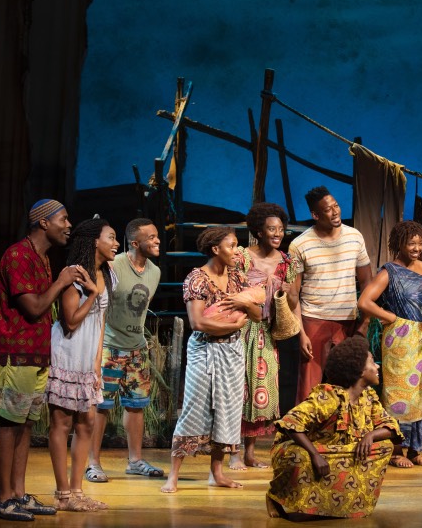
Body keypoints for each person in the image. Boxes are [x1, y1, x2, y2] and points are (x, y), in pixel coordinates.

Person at [0, 199, 84, 521]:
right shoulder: (18, 255)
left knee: (26, 424)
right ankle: (2, 498)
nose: (68, 225)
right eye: (63, 219)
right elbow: (33, 307)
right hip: (17, 354)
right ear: (44, 222)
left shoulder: (41, 258)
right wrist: (61, 281)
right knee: (10, 422)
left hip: (36, 355)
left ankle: (17, 493)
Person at [160, 226, 263, 493]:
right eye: (231, 245)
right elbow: (198, 323)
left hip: (232, 353)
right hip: (204, 351)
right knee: (194, 409)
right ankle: (173, 475)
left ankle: (216, 473)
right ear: (216, 249)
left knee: (228, 412)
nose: (236, 251)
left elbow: (258, 313)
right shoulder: (197, 278)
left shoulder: (237, 278)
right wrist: (235, 323)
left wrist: (243, 305)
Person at [358, 220, 422, 468]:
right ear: (399, 245)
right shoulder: (388, 272)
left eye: (419, 243)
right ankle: (396, 450)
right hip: (400, 338)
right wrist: (391, 318)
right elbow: (365, 302)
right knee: (399, 394)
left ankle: (416, 450)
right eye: (410, 243)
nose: (416, 247)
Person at [266, 335, 402, 520]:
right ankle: (275, 497)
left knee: (385, 446)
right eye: (372, 362)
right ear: (360, 370)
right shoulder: (328, 397)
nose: (377, 367)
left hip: (341, 451)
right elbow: (291, 423)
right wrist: (315, 454)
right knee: (299, 456)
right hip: (314, 449)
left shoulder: (368, 396)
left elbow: (391, 427)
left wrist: (370, 436)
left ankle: (344, 502)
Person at [46, 217, 117, 512]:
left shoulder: (106, 274)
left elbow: (100, 322)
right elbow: (72, 322)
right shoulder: (73, 275)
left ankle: (77, 491)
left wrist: (97, 363)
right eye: (111, 237)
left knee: (86, 422)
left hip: (88, 359)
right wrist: (93, 294)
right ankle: (63, 494)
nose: (115, 244)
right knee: (62, 423)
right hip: (67, 353)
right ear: (93, 241)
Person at [87, 218, 163, 482]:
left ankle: (135, 461)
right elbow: (100, 308)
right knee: (100, 406)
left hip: (137, 348)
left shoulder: (155, 272)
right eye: (151, 237)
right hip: (109, 346)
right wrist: (96, 354)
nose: (157, 241)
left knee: (136, 406)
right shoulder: (113, 266)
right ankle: (93, 463)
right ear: (134, 243)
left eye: (156, 236)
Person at [229, 203, 299, 471]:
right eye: (272, 229)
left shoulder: (286, 261)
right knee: (239, 391)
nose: (277, 233)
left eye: (281, 229)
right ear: (258, 231)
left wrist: (290, 294)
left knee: (261, 392)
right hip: (241, 328)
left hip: (268, 333)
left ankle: (249, 452)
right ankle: (233, 453)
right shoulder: (241, 257)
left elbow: (292, 301)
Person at [289, 186, 372, 403]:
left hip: (347, 320)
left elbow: (366, 282)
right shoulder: (299, 244)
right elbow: (293, 294)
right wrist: (301, 333)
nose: (335, 212)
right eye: (328, 209)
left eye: (336, 206)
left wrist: (366, 321)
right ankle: (303, 433)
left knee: (347, 381)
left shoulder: (354, 237)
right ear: (315, 215)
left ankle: (341, 431)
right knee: (310, 383)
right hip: (313, 319)